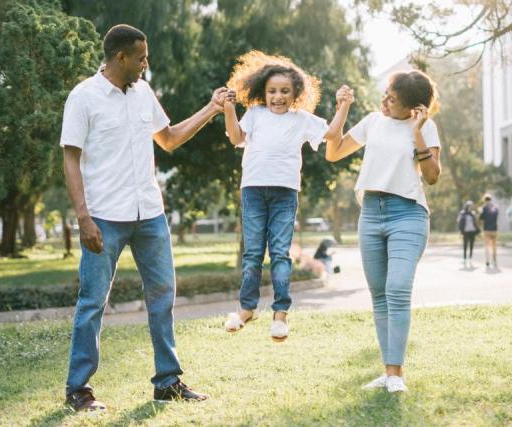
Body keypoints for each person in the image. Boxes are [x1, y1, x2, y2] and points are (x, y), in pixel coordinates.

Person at [60, 24, 227, 411]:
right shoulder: (84, 97)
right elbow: (70, 157)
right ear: (120, 57)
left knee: (163, 296)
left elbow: (168, 138)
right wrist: (83, 217)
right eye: (141, 57)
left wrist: (211, 108)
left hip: (150, 214)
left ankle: (167, 382)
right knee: (92, 302)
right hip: (104, 216)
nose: (145, 63)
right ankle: (78, 389)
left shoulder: (143, 92)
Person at [324, 70, 442, 393]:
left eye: (393, 99)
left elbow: (432, 176)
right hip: (371, 214)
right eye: (386, 94)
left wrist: (417, 132)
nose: (385, 101)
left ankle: (396, 376)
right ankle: (389, 373)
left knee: (398, 288)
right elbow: (332, 153)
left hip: (408, 214)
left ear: (414, 108)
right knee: (379, 297)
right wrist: (343, 108)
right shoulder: (374, 121)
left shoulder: (426, 127)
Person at [221, 51, 350, 342]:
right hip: (253, 190)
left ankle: (280, 316)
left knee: (280, 253)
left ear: (296, 94)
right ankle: (246, 309)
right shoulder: (255, 114)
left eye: (284, 92)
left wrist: (343, 106)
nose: (278, 97)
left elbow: (330, 133)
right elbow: (236, 138)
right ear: (262, 92)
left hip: (285, 193)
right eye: (272, 91)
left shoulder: (301, 119)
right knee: (253, 253)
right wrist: (228, 109)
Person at [479, 194, 499, 268]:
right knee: (494, 246)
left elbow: (481, 218)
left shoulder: (484, 208)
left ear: (485, 200)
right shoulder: (495, 207)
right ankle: (494, 260)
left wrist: (480, 212)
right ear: (491, 200)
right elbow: (496, 216)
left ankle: (487, 261)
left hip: (486, 229)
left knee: (487, 246)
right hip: (494, 229)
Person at [457, 200, 479, 266]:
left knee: (471, 245)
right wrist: (460, 230)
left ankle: (470, 257)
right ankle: (464, 258)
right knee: (465, 245)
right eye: (469, 206)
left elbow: (476, 222)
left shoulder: (473, 213)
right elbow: (458, 221)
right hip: (465, 231)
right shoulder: (462, 213)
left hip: (472, 231)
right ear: (466, 206)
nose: (470, 207)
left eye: (471, 206)